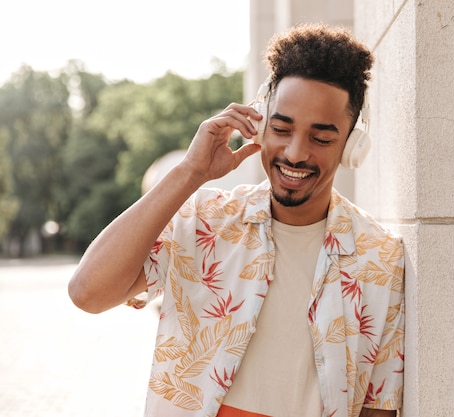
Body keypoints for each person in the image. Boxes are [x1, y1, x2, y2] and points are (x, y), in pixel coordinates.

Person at [68, 23, 405, 417]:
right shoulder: (204, 220)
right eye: (281, 128)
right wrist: (190, 173)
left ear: (352, 146)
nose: (295, 153)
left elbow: (377, 408)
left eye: (321, 138)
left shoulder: (381, 259)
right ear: (259, 122)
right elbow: (88, 293)